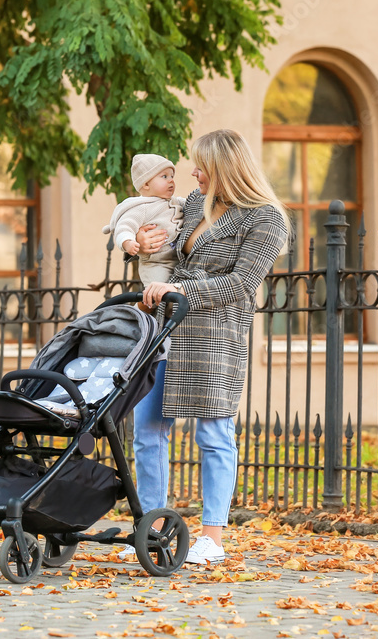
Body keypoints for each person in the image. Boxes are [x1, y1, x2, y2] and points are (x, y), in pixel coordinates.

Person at [126, 129, 289, 565]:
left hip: (215, 336)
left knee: (213, 434)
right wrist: (142, 245)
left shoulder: (265, 219)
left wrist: (179, 290)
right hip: (166, 331)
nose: (192, 173)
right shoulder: (195, 205)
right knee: (147, 430)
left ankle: (212, 538)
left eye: (200, 165)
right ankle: (152, 530)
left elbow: (242, 283)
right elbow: (166, 248)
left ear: (223, 169)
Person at [102, 154, 186, 288]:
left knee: (178, 291)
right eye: (164, 176)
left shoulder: (175, 201)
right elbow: (125, 226)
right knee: (159, 292)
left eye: (172, 176)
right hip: (155, 264)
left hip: (177, 260)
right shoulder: (141, 208)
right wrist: (128, 242)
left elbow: (192, 204)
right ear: (146, 184)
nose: (171, 181)